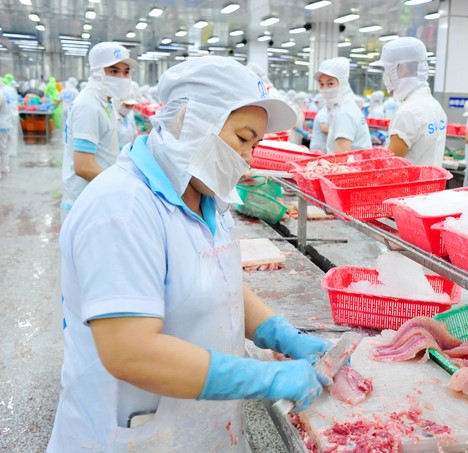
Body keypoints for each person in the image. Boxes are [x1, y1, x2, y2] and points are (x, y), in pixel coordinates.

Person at [48, 56, 331, 452]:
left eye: (256, 143)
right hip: (135, 434)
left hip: (199, 426)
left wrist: (281, 334)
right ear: (193, 122)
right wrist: (265, 379)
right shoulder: (121, 208)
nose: (249, 158)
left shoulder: (206, 197)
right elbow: (132, 353)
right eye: (243, 138)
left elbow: (219, 283)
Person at [61, 42, 136, 216]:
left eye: (126, 72)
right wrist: (121, 185)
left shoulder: (105, 102)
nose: (122, 78)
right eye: (114, 71)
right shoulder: (89, 106)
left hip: (98, 193)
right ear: (96, 72)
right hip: (85, 201)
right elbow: (83, 167)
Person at [377, 37, 447, 166]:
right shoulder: (435, 106)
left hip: (407, 185)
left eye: (386, 70)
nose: (385, 77)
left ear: (402, 69)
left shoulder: (407, 113)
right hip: (432, 185)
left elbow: (390, 168)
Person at [314, 57, 371, 154]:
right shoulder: (344, 106)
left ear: (342, 83)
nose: (325, 89)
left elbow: (342, 161)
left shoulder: (343, 113)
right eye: (321, 84)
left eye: (330, 83)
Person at [0, 92, 12, 175]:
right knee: (4, 146)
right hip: (6, 123)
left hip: (1, 124)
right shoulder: (5, 93)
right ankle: (5, 167)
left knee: (2, 147)